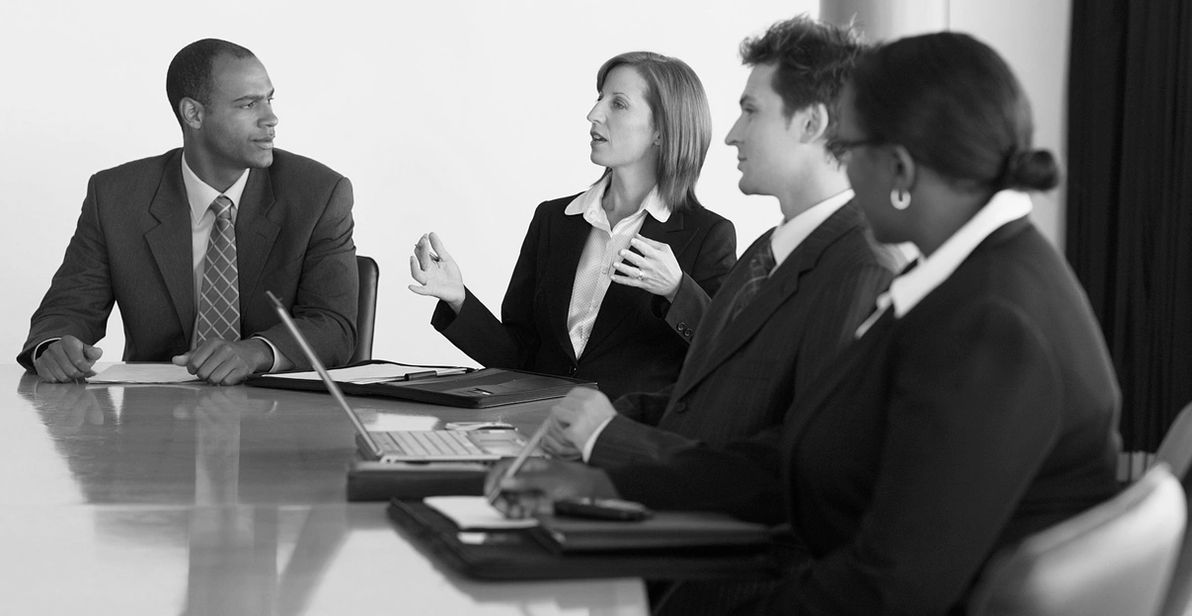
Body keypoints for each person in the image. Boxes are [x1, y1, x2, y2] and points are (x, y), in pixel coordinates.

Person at [492, 31, 1123, 616]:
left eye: (854, 150)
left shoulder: (989, 322)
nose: (842, 169)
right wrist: (607, 467)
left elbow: (890, 587)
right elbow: (800, 454)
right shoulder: (967, 285)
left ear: (898, 171)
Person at [539, 17, 895, 468]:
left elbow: (797, 465)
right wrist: (601, 423)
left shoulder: (862, 268)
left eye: (751, 110)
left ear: (810, 123)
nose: (730, 134)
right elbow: (708, 396)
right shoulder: (769, 250)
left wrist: (608, 445)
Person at [18, 38, 358, 386]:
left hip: (282, 416)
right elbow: (69, 308)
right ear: (193, 114)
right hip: (154, 418)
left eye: (269, 99)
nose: (271, 118)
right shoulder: (117, 196)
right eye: (248, 105)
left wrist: (255, 352)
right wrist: (54, 347)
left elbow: (335, 326)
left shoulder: (318, 194)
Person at [408, 52, 735, 399]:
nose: (594, 114)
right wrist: (459, 300)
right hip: (537, 428)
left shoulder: (707, 235)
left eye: (619, 104)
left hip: (626, 442)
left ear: (661, 130)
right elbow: (519, 357)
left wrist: (676, 290)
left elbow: (728, 355)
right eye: (599, 98)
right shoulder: (553, 220)